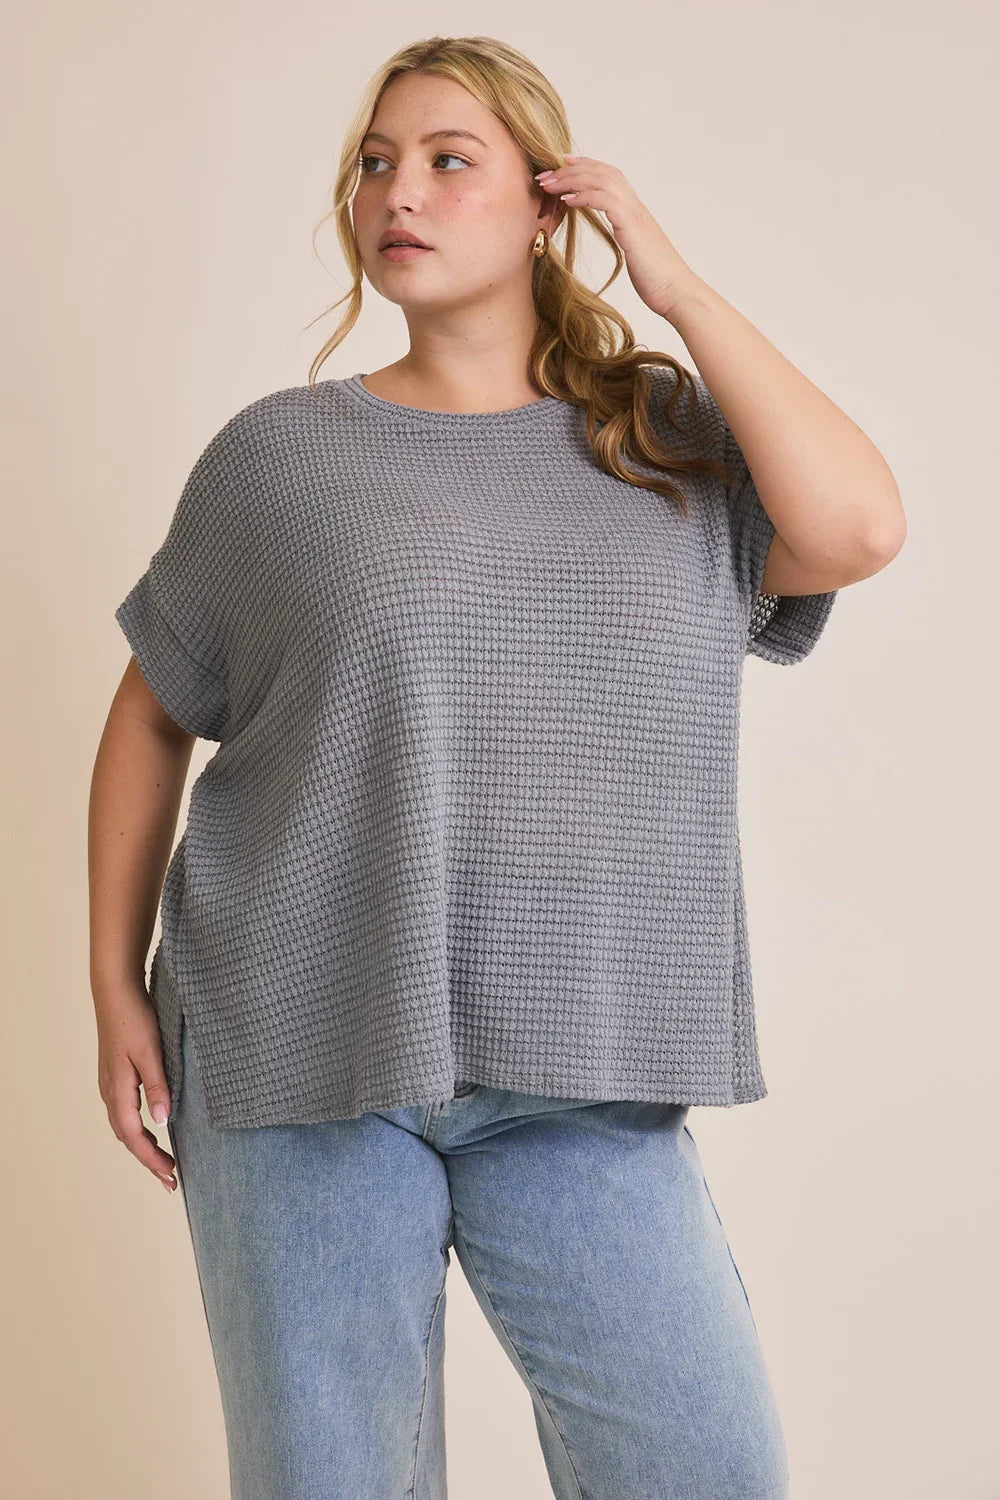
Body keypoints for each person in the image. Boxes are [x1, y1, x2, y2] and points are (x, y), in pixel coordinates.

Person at [88, 33, 905, 1500]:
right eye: (376, 165)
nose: (398, 192)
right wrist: (111, 984)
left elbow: (856, 528)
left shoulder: (665, 444)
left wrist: (671, 282)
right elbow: (153, 710)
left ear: (547, 205)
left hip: (586, 1053)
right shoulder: (281, 461)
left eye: (448, 160)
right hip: (296, 1044)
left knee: (706, 1470)